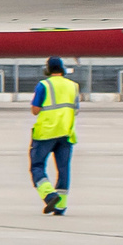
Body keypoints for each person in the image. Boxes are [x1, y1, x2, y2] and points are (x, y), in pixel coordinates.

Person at [30, 54, 79, 216]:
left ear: (48, 69)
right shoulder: (73, 86)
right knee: (63, 169)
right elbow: (76, 110)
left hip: (45, 133)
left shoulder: (43, 85)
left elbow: (35, 110)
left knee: (37, 166)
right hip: (66, 132)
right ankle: (61, 207)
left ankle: (49, 195)